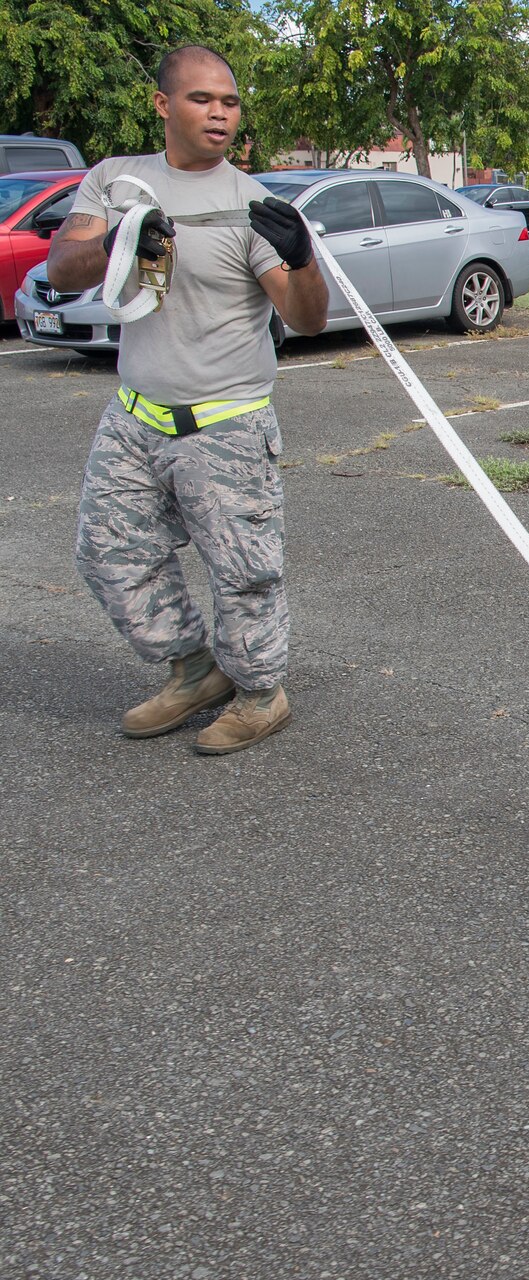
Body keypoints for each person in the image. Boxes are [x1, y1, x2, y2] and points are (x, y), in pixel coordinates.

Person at [48, 45, 327, 753]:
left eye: (230, 102)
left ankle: (261, 693)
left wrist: (302, 259)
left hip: (226, 423)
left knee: (245, 573)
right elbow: (62, 266)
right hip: (135, 415)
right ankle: (194, 670)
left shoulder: (250, 203)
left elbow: (305, 317)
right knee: (107, 549)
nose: (220, 114)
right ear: (163, 105)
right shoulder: (116, 181)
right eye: (203, 99)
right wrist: (121, 237)